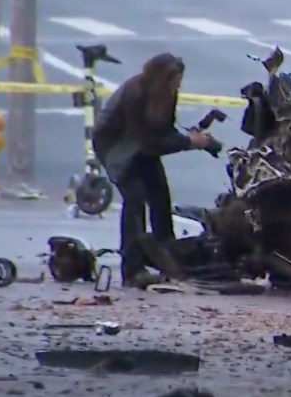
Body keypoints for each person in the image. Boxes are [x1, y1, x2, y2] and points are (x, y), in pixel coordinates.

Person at [92, 53, 214, 288]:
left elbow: (164, 133)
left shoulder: (168, 95)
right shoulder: (135, 94)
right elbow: (148, 140)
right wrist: (189, 143)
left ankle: (167, 254)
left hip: (143, 148)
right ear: (163, 78)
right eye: (175, 79)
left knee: (160, 195)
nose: (179, 84)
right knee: (134, 199)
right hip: (117, 146)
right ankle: (132, 268)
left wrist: (196, 140)